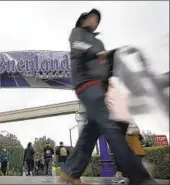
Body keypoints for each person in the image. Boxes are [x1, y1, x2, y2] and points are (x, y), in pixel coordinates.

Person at [60, 9, 154, 185]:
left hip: (99, 88)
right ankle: (139, 176)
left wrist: (112, 57)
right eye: (91, 18)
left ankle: (70, 172)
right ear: (83, 19)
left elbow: (104, 66)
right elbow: (80, 48)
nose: (94, 21)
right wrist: (97, 52)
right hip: (86, 85)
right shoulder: (77, 33)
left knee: (92, 130)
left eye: (97, 19)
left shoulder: (98, 41)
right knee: (110, 126)